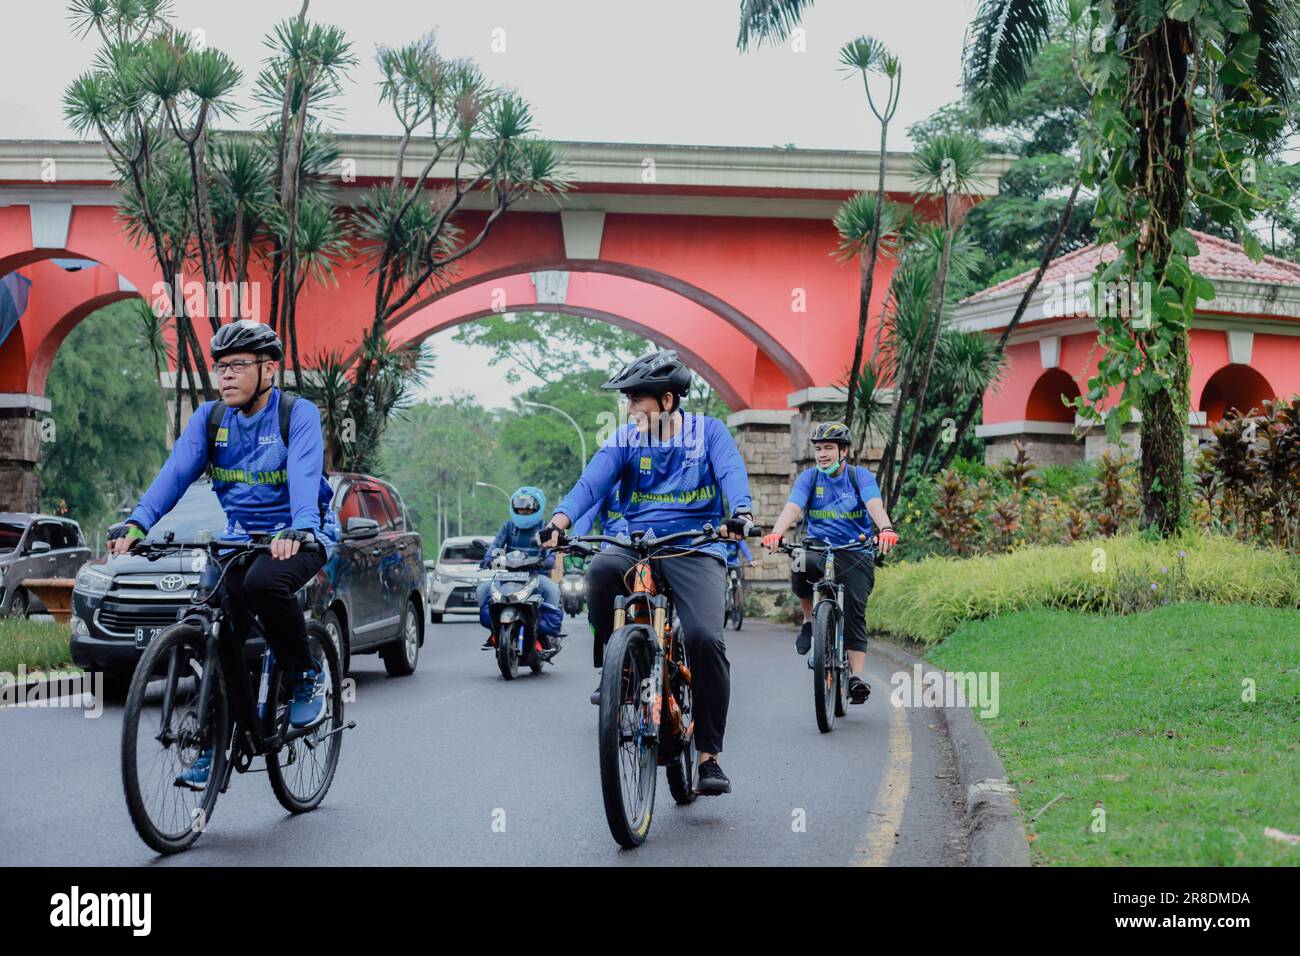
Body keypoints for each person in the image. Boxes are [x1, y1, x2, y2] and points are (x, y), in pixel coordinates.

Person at [107, 320, 340, 790]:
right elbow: (174, 475)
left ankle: (303, 674)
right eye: (221, 367)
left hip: (304, 532)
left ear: (269, 369)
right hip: (239, 537)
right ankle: (214, 744)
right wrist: (138, 522)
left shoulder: (296, 415)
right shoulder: (211, 420)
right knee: (215, 620)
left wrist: (299, 527)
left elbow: (303, 474)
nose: (226, 376)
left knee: (263, 584)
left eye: (237, 366)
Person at [538, 349, 754, 796]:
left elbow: (732, 474)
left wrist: (741, 512)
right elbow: (590, 484)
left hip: (694, 546)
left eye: (637, 399)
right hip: (637, 545)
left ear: (669, 401)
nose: (630, 408)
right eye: (628, 400)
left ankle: (709, 756)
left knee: (704, 639)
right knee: (599, 572)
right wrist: (559, 522)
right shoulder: (625, 440)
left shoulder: (709, 433)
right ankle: (616, 669)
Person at [761, 421, 898, 705]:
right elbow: (794, 507)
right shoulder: (810, 478)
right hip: (818, 548)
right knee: (800, 561)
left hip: (854, 550)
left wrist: (884, 528)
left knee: (855, 610)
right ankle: (810, 621)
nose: (822, 454)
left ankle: (857, 677)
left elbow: (874, 505)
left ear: (843, 451)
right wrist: (776, 532)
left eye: (828, 448)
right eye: (819, 449)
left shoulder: (859, 477)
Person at [476, 486, 561, 648]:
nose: (523, 512)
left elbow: (552, 551)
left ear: (537, 508)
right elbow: (496, 545)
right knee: (482, 590)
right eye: (520, 509)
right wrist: (488, 557)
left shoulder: (545, 527)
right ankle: (495, 630)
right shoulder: (508, 527)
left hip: (537, 576)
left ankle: (544, 635)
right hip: (508, 576)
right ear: (514, 509)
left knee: (552, 590)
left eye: (527, 509)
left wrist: (550, 559)